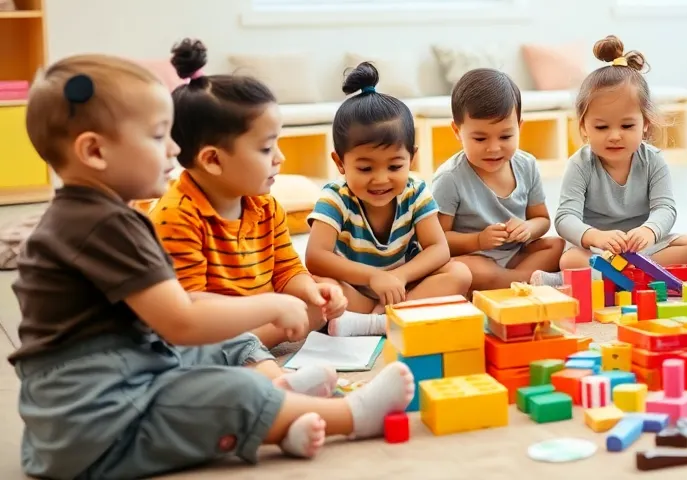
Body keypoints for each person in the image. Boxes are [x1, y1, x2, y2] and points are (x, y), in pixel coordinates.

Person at [11, 55, 414, 477]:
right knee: (231, 390)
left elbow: (179, 317)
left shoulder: (101, 216)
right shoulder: (103, 224)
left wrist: (294, 296)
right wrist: (275, 307)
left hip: (122, 377)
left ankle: (279, 409)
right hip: (96, 423)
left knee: (226, 347)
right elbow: (182, 321)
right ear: (94, 150)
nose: (173, 149)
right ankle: (351, 415)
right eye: (157, 136)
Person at [151, 39, 347, 346]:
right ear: (213, 159)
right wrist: (276, 310)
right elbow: (189, 306)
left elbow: (285, 268)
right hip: (207, 327)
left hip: (263, 314)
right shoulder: (176, 216)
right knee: (206, 343)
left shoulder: (265, 206)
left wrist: (310, 291)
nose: (280, 158)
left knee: (317, 299)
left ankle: (264, 338)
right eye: (267, 148)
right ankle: (253, 349)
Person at [304, 62, 472, 335]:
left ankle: (376, 321)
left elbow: (439, 249)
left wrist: (397, 277)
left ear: (412, 158)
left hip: (402, 289)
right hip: (354, 289)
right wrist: (373, 277)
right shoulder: (335, 197)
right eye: (365, 168)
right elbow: (315, 256)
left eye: (394, 167)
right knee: (316, 285)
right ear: (340, 163)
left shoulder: (415, 191)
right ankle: (388, 319)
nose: (381, 179)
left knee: (460, 274)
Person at [531, 37, 687, 287]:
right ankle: (628, 278)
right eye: (601, 126)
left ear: (646, 124)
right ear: (584, 127)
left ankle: (591, 280)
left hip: (643, 250)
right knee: (571, 260)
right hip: (598, 251)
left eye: (627, 125)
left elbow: (665, 208)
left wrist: (649, 231)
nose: (615, 135)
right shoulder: (580, 164)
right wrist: (595, 236)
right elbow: (566, 217)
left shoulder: (654, 161)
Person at [432, 68, 564, 290]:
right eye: (480, 138)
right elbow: (437, 241)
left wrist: (528, 229)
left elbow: (541, 219)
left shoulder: (527, 165)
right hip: (474, 256)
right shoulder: (450, 178)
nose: (493, 148)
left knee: (557, 245)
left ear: (520, 127)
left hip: (515, 255)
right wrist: (478, 241)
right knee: (460, 270)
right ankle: (525, 282)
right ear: (457, 131)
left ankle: (507, 281)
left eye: (506, 136)